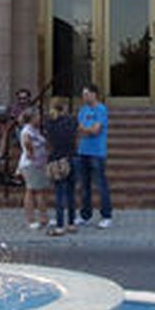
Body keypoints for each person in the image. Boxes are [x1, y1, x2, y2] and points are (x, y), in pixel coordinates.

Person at [75, 84, 112, 230]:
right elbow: (80, 130)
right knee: (84, 185)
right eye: (83, 94)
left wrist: (86, 129)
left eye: (86, 94)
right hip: (83, 151)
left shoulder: (101, 109)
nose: (84, 97)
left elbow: (95, 130)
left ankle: (106, 215)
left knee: (101, 185)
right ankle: (85, 215)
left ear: (94, 94)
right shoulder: (83, 110)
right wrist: (87, 129)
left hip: (97, 152)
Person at [43, 97, 78, 236]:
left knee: (59, 194)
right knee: (71, 193)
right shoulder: (71, 121)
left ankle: (59, 225)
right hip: (71, 156)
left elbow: (48, 140)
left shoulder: (49, 123)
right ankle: (72, 223)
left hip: (56, 158)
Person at [15, 109, 49, 229]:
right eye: (38, 116)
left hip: (38, 164)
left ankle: (42, 217)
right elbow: (26, 140)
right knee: (34, 190)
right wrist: (31, 151)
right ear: (32, 118)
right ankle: (33, 218)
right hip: (31, 164)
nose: (40, 118)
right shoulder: (28, 129)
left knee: (37, 189)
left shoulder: (35, 130)